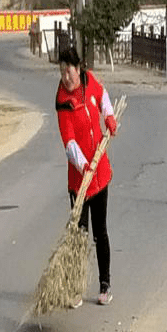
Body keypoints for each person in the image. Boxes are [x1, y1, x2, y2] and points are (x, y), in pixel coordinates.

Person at [56, 46, 117, 306]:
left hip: (100, 174)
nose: (65, 76)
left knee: (99, 232)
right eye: (61, 71)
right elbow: (68, 141)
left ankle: (105, 285)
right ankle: (76, 287)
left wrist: (110, 117)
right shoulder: (62, 101)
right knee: (79, 236)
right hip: (79, 179)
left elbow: (103, 98)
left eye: (68, 70)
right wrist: (83, 166)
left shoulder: (89, 81)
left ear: (77, 68)